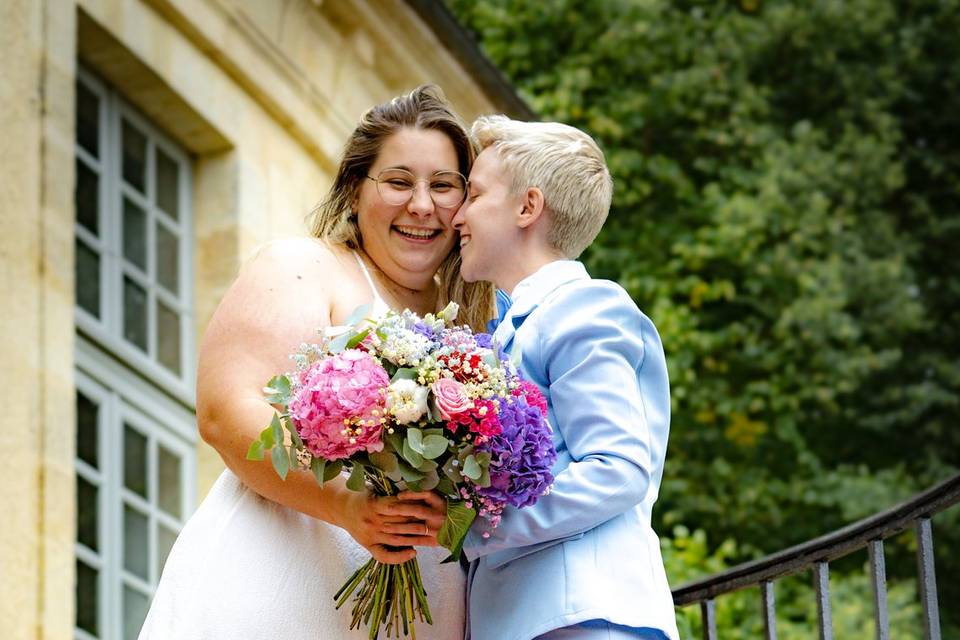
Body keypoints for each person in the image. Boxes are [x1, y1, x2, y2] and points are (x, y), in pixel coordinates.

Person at [139, 86, 494, 639]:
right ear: (355, 191)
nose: (423, 205)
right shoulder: (305, 265)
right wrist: (348, 505)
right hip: (279, 588)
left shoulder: (477, 329)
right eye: (399, 182)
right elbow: (226, 409)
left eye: (444, 186)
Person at [449, 115, 679, 640]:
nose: (457, 215)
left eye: (476, 195)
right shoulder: (510, 329)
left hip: (583, 617)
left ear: (527, 207)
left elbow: (618, 468)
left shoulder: (584, 308)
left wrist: (474, 528)